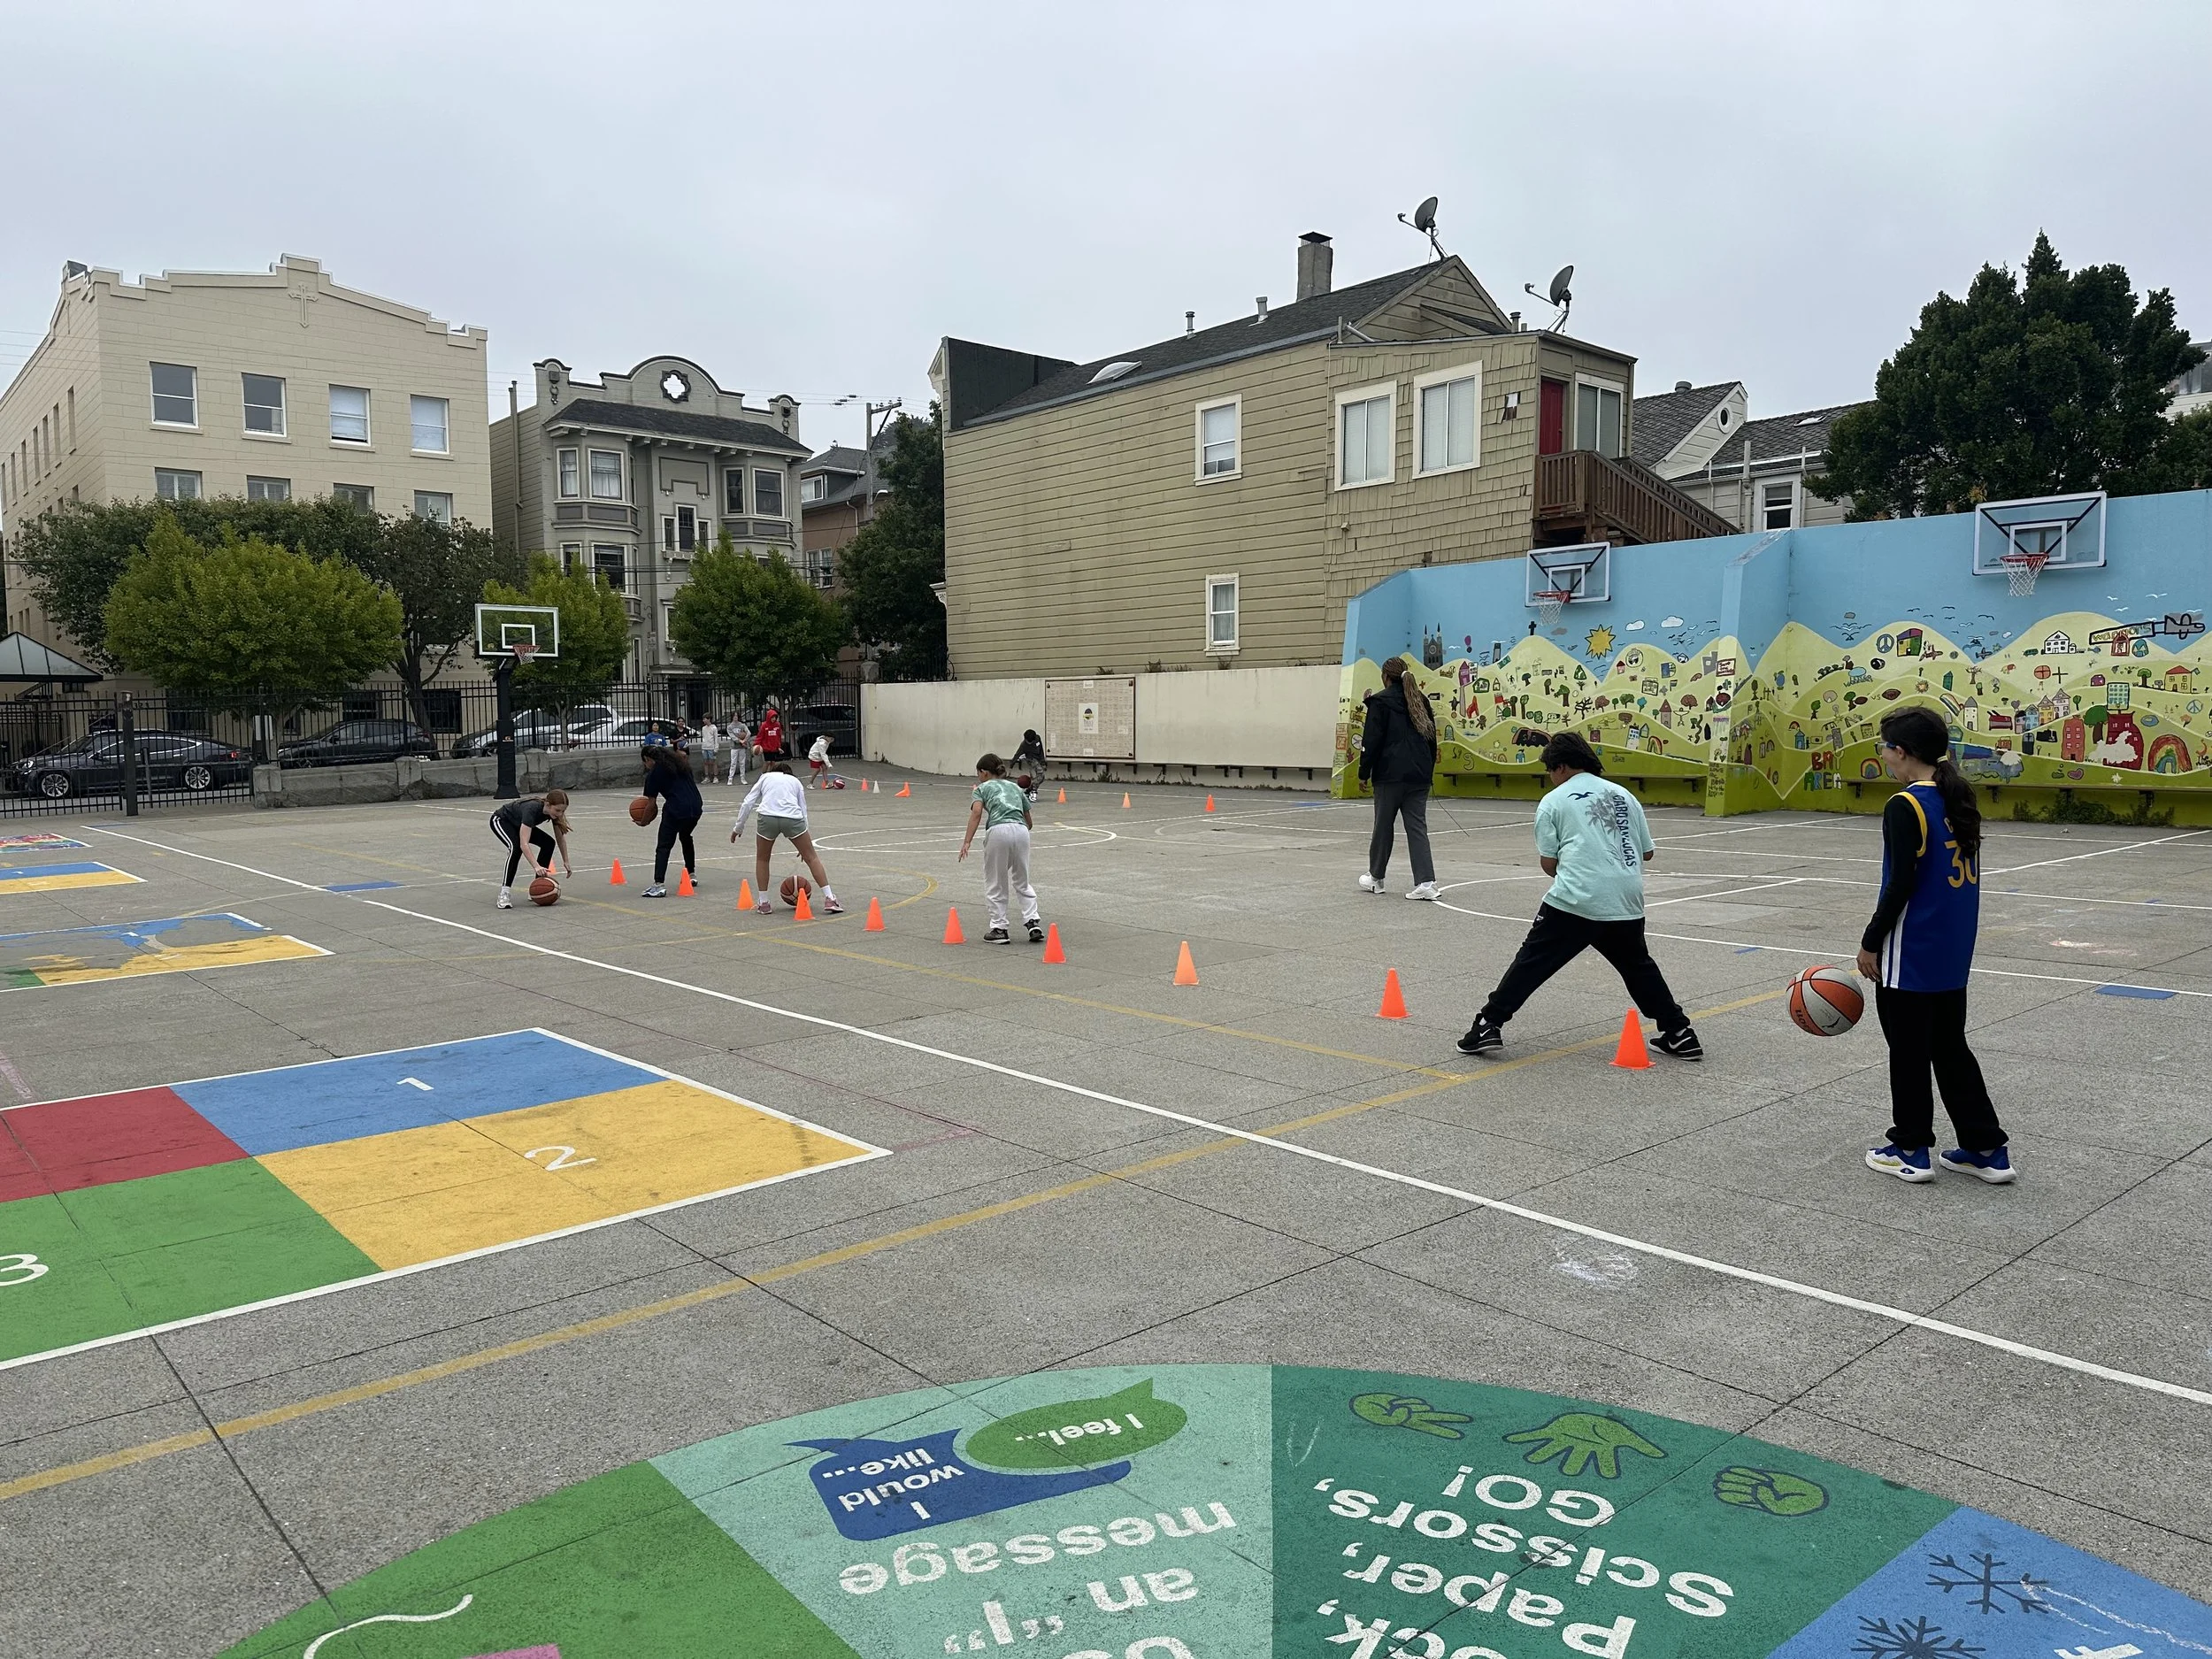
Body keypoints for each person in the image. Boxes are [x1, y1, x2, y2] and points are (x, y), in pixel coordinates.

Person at [1458, 732, 1701, 1061]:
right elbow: (1646, 854)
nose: (1550, 778)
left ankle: (1488, 1025)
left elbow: (1549, 864)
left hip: (1577, 899)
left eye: (1549, 771)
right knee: (1638, 968)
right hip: (1626, 900)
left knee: (1532, 962)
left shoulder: (1554, 801)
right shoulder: (1623, 795)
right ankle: (1679, 1032)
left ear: (1560, 766)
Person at [1858, 706, 2012, 1184]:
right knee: (1950, 1048)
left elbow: (1900, 884)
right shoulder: (1957, 797)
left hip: (1912, 950)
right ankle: (1986, 1147)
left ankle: (1910, 1149)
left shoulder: (1906, 805)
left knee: (1907, 1051)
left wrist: (1870, 942)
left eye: (1884, 747)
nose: (1883, 756)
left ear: (1901, 752)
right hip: (1952, 952)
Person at [1358, 656, 1440, 900]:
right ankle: (1426, 882)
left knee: (1383, 826)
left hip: (1389, 776)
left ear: (1385, 677)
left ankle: (1376, 878)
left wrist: (1364, 773)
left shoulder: (1379, 702)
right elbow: (1432, 740)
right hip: (1419, 776)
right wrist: (1428, 773)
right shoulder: (1421, 700)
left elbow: (1371, 742)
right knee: (1417, 828)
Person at [731, 760, 841, 915]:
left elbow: (748, 802)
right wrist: (805, 839)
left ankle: (764, 902)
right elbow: (803, 809)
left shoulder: (765, 777)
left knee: (762, 859)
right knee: (812, 858)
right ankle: (830, 898)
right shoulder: (795, 781)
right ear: (789, 773)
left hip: (767, 817)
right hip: (793, 818)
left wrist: (738, 827)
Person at [959, 753, 1044, 944]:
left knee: (996, 880)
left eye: (978, 773)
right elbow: (1029, 820)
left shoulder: (982, 789)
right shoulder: (1015, 787)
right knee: (1022, 879)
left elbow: (977, 813)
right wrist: (1018, 830)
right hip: (1022, 830)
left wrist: (967, 841)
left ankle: (999, 928)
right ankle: (1032, 921)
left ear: (984, 772)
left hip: (998, 830)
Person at [639, 742, 703, 898]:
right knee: (686, 837)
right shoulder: (681, 764)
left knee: (664, 846)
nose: (646, 766)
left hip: (676, 808)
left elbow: (651, 804)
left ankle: (658, 885)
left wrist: (644, 821)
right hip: (696, 806)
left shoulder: (655, 773)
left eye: (645, 762)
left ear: (648, 759)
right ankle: (691, 875)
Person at [489, 789, 572, 910]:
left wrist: (566, 861)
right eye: (558, 810)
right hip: (502, 821)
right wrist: (536, 866)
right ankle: (504, 893)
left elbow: (560, 838)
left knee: (549, 843)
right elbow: (524, 844)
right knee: (516, 848)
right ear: (548, 805)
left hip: (520, 824)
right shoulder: (532, 809)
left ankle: (537, 886)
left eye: (563, 811)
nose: (560, 814)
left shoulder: (554, 813)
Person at [1011, 729, 1048, 802]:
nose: (1029, 743)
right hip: (1030, 759)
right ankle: (1033, 791)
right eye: (1028, 742)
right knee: (1040, 775)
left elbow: (1041, 750)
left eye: (1031, 742)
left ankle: (1028, 791)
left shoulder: (1037, 738)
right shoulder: (1024, 745)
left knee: (1041, 778)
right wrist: (1012, 764)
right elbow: (1017, 754)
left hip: (1038, 758)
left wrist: (1043, 762)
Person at [754, 701, 785, 768]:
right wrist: (756, 744)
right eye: (772, 717)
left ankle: (771, 775)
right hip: (766, 748)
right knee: (768, 762)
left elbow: (778, 736)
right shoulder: (764, 726)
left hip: (774, 747)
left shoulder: (777, 725)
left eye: (775, 717)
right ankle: (763, 774)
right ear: (769, 717)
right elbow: (760, 736)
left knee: (773, 762)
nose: (774, 719)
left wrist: (779, 747)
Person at [726, 713, 751, 785]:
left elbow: (748, 733)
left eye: (737, 716)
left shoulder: (742, 725)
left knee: (742, 763)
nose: (735, 717)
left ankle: (743, 778)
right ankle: (730, 778)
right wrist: (740, 741)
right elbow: (732, 737)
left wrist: (745, 740)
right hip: (734, 747)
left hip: (742, 747)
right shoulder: (730, 726)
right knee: (733, 763)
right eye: (734, 716)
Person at [697, 718, 722, 785]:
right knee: (706, 762)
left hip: (711, 747)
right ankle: (707, 777)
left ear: (709, 719)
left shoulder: (714, 728)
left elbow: (716, 739)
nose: (703, 721)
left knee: (713, 762)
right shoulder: (703, 728)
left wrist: (716, 748)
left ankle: (715, 777)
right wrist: (703, 747)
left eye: (705, 719)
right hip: (705, 747)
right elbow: (704, 738)